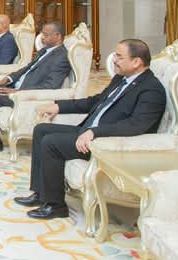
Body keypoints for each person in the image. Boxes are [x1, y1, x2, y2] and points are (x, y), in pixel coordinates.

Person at [14, 39, 166, 219]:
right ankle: (40, 193)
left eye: (119, 56)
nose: (114, 60)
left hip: (104, 143)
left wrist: (95, 132)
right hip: (89, 132)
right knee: (42, 130)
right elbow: (95, 101)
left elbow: (135, 125)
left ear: (136, 61)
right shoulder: (121, 79)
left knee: (51, 143)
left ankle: (55, 206)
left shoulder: (151, 90)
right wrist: (59, 106)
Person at [0, 21, 72, 154]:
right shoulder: (45, 50)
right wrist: (8, 78)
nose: (42, 38)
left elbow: (51, 85)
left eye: (46, 35)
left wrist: (19, 91)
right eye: (42, 34)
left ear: (58, 36)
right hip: (15, 86)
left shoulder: (62, 57)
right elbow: (26, 69)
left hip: (24, 96)